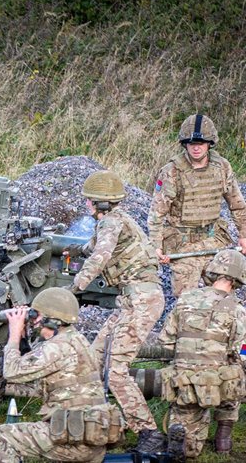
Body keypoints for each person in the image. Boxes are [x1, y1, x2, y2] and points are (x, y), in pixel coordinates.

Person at [65, 170, 166, 452]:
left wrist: (73, 288)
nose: (86, 205)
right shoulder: (115, 221)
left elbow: (101, 256)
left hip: (141, 301)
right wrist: (75, 249)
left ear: (98, 203)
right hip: (130, 301)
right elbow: (92, 247)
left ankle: (149, 433)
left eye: (89, 201)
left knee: (117, 371)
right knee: (95, 360)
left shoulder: (110, 223)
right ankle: (103, 426)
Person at [0, 288, 123, 463]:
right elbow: (36, 367)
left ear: (50, 320)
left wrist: (14, 334)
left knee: (4, 435)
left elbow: (11, 371)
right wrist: (23, 339)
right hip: (89, 435)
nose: (33, 322)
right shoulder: (76, 339)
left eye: (35, 316)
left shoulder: (57, 347)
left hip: (76, 440)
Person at [158, 249, 246, 459]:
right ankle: (223, 439)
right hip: (216, 383)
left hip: (183, 382)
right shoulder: (237, 309)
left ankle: (181, 439)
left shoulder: (186, 299)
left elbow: (167, 340)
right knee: (237, 377)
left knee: (187, 444)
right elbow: (242, 351)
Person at [148, 114, 246, 296]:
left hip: (214, 239)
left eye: (200, 143)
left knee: (223, 297)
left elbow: (238, 205)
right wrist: (155, 245)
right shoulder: (172, 171)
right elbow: (157, 213)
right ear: (185, 144)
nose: (196, 148)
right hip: (182, 242)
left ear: (209, 144)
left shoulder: (222, 167)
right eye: (191, 143)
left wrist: (244, 235)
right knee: (186, 302)